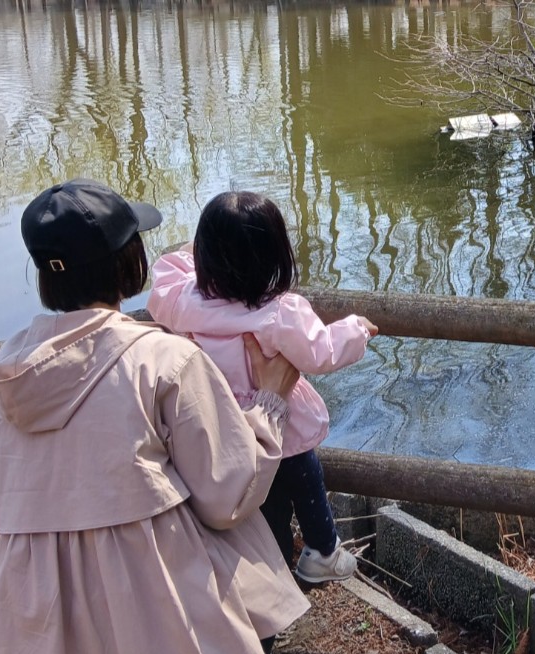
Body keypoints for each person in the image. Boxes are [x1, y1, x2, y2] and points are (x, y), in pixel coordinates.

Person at [0, 178, 309, 654]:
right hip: (141, 590)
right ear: (131, 262)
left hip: (38, 600)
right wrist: (272, 403)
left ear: (46, 276)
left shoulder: (3, 368)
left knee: (120, 524)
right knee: (234, 505)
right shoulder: (163, 357)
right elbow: (228, 494)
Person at [147, 191, 377, 585]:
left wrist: (195, 251)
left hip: (223, 428)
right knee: (307, 483)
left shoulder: (184, 301)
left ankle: (273, 575)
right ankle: (322, 552)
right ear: (275, 256)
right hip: (278, 425)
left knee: (262, 508)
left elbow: (164, 277)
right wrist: (357, 329)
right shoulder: (278, 314)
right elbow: (321, 351)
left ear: (205, 256)